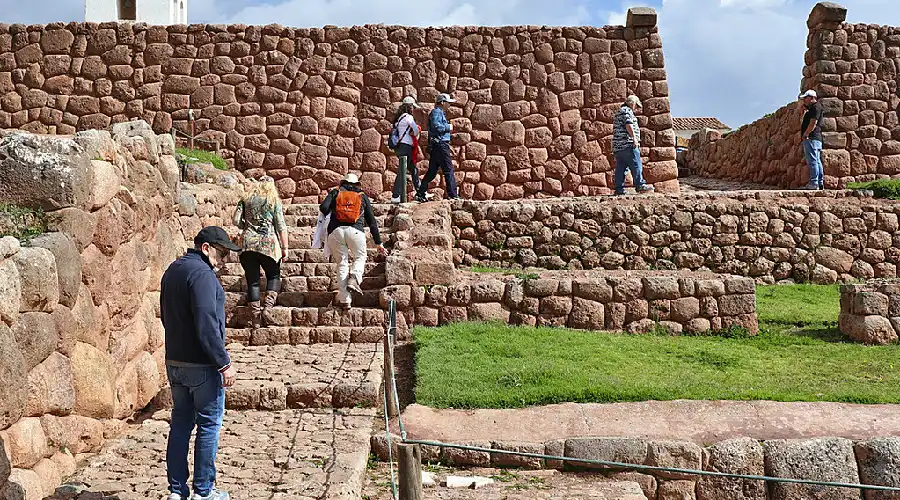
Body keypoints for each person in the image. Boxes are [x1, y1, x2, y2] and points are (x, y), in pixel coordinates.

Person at [160, 226, 240, 500]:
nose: (224, 260)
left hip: (175, 360)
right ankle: (203, 492)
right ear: (206, 248)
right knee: (209, 424)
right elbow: (207, 324)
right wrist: (223, 362)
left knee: (181, 423)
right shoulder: (203, 275)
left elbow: (165, 315)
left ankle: (176, 491)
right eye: (222, 253)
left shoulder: (173, 270)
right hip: (201, 365)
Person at [320, 173, 387, 309]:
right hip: (356, 232)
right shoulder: (362, 196)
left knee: (342, 263)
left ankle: (345, 300)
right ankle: (355, 277)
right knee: (360, 256)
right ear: (357, 184)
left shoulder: (335, 193)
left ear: (343, 182)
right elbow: (372, 222)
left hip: (336, 232)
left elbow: (323, 208)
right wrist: (378, 243)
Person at [232, 176, 288, 328]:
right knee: (274, 275)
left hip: (247, 245)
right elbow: (280, 225)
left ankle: (256, 319)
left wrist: (246, 227)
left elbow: (235, 220)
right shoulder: (273, 200)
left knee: (253, 281)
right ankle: (267, 310)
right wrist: (285, 248)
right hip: (268, 245)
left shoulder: (246, 199)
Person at [415, 93, 459, 202]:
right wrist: (448, 127)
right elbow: (436, 126)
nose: (449, 105)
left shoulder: (439, 113)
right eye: (448, 103)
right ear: (442, 102)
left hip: (437, 145)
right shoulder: (436, 112)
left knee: (432, 171)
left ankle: (421, 192)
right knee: (448, 169)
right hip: (440, 145)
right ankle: (453, 195)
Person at [389, 96, 430, 204]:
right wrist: (415, 131)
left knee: (414, 170)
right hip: (406, 146)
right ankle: (396, 196)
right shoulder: (408, 118)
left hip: (400, 147)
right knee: (402, 171)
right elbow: (416, 131)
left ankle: (421, 192)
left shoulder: (399, 118)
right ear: (410, 107)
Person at [612, 95, 655, 196]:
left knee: (621, 167)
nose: (636, 108)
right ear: (633, 103)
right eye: (636, 105)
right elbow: (628, 124)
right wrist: (634, 138)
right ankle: (640, 185)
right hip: (628, 144)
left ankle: (619, 189)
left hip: (618, 146)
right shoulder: (627, 111)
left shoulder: (619, 111)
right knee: (636, 164)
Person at [799, 89, 824, 190]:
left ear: (812, 98)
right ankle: (819, 183)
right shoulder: (813, 108)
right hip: (815, 138)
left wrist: (806, 134)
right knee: (817, 160)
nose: (804, 100)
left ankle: (814, 183)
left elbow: (813, 123)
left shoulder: (815, 108)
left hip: (811, 138)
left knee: (812, 161)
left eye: (806, 98)